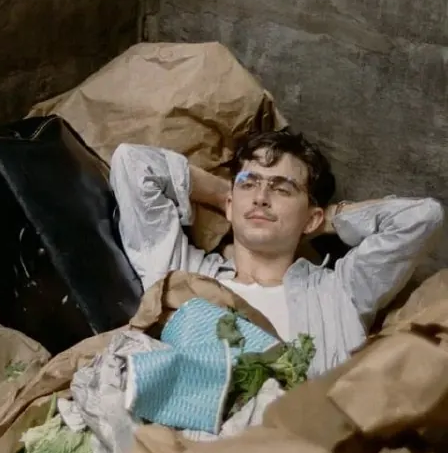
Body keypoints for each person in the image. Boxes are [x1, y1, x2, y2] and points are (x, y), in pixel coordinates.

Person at [111, 130, 444, 374]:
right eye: (249, 184)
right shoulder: (185, 274)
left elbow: (421, 217)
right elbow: (133, 163)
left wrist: (325, 220)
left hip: (294, 440)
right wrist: (228, 197)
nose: (261, 197)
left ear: (312, 218)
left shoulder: (340, 291)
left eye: (282, 189)